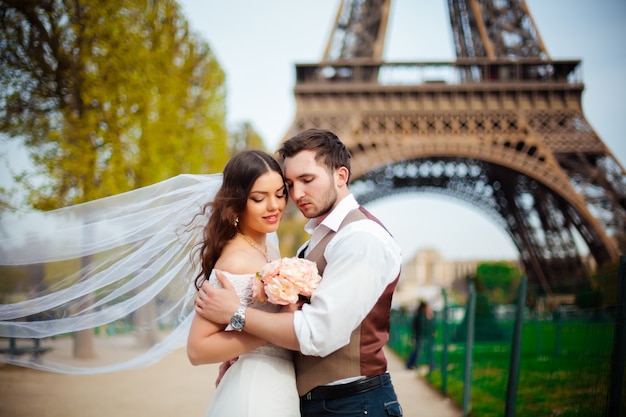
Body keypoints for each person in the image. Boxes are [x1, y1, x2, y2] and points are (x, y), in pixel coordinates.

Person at [195, 129, 404, 417]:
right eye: (290, 184)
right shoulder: (313, 242)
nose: (296, 195)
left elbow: (318, 333)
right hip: (310, 400)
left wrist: (237, 315)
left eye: (307, 180)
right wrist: (240, 354)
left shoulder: (360, 239)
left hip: (354, 404)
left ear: (341, 176)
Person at [186, 149, 300, 416]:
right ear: (237, 203)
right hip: (256, 392)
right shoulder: (236, 260)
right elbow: (197, 349)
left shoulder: (268, 250)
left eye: (280, 194)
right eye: (259, 198)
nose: (274, 206)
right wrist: (272, 330)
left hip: (278, 385)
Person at [405, 300, 435, 371]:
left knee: (423, 350)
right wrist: (429, 318)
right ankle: (410, 364)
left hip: (423, 335)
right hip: (421, 335)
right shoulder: (421, 316)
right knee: (418, 350)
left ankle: (431, 364)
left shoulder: (421, 315)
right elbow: (425, 326)